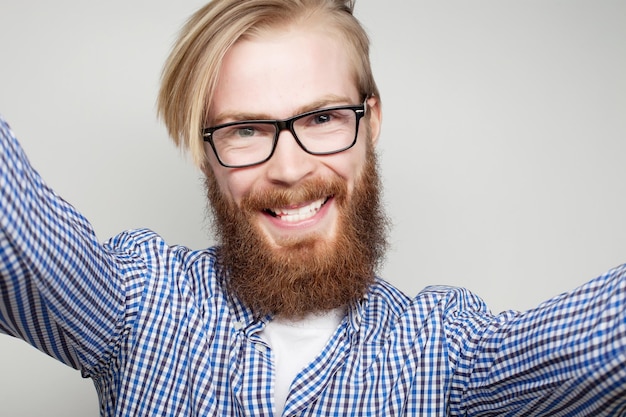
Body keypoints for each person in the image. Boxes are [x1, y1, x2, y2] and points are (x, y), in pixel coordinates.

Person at [1, 0, 625, 416]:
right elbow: (16, 233)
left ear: (371, 121)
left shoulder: (442, 351)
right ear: (203, 150)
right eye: (245, 130)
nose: (291, 169)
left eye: (323, 118)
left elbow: (599, 347)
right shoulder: (142, 300)